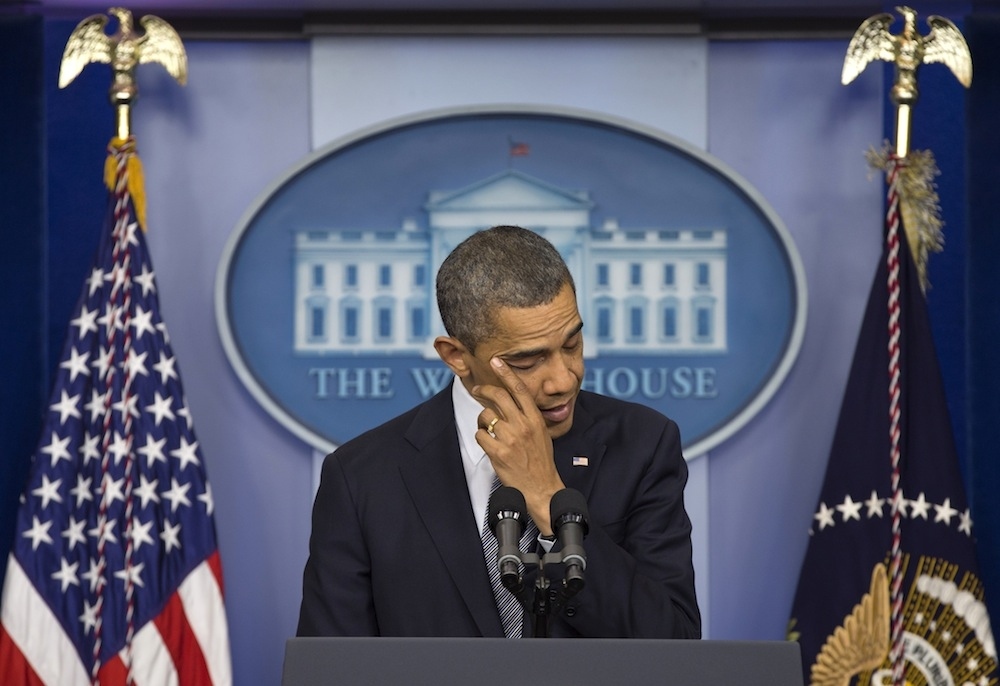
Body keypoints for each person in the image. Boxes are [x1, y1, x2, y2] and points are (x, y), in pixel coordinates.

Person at [296, 225, 700, 639]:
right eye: (527, 361)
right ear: (456, 356)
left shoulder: (642, 444)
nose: (562, 380)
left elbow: (674, 643)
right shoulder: (362, 477)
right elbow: (333, 668)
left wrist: (546, 496)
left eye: (572, 345)